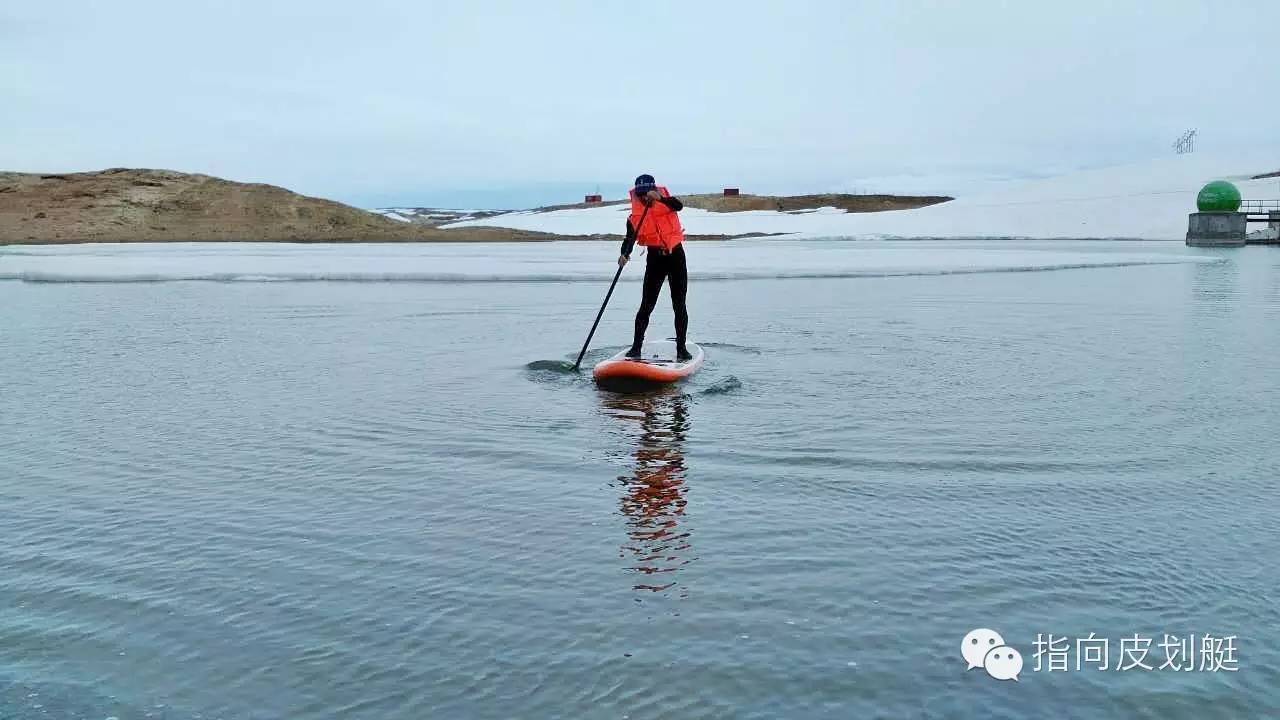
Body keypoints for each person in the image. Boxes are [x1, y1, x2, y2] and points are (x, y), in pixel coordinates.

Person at [618, 173, 691, 361]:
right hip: (655, 259)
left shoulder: (668, 203)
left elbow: (679, 206)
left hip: (675, 256)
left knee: (679, 304)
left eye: (647, 193)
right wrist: (624, 254)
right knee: (646, 305)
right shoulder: (634, 217)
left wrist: (661, 198)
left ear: (654, 191)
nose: (644, 198)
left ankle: (681, 349)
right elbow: (629, 238)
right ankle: (636, 348)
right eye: (641, 195)